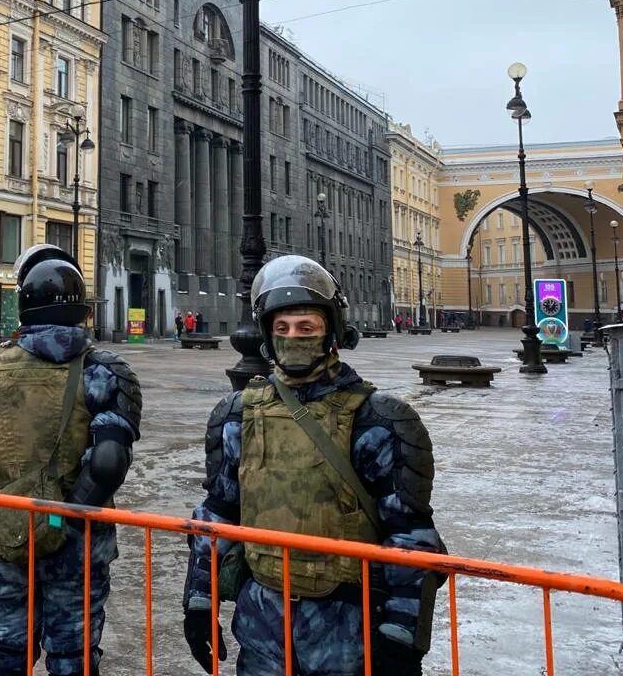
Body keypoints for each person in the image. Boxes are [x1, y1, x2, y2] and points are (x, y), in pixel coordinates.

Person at [183, 254, 444, 676]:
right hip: (261, 622)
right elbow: (219, 512)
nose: (293, 338)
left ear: (331, 332)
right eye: (282, 329)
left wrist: (400, 634)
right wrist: (199, 599)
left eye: (307, 328)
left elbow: (410, 535)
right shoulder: (238, 415)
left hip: (348, 626)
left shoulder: (377, 419)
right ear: (267, 334)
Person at [0, 244, 142, 676]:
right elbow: (107, 462)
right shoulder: (105, 371)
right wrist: (64, 519)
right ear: (82, 310)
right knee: (73, 657)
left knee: (4, 652)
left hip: (12, 527)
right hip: (79, 535)